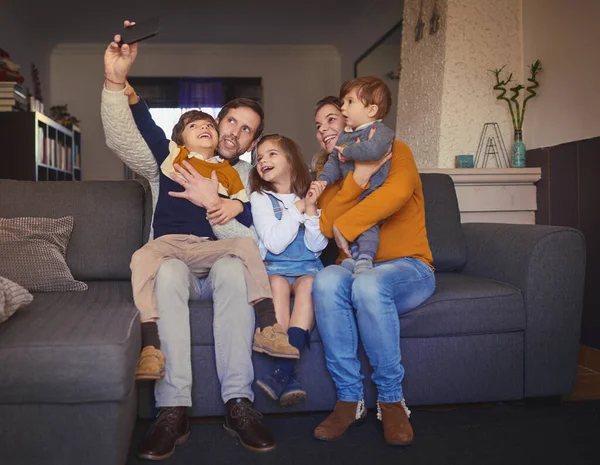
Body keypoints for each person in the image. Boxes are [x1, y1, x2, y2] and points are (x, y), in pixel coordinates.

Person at [102, 24, 276, 458]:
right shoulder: (173, 162)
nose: (237, 131)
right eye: (230, 120)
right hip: (176, 259)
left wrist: (220, 203)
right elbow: (127, 135)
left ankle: (239, 403)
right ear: (214, 125)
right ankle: (172, 408)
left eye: (248, 130)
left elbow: (255, 240)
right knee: (169, 269)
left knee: (236, 267)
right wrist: (115, 82)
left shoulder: (247, 183)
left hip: (220, 264)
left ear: (253, 143)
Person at [131, 108, 299, 382]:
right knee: (140, 257)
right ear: (181, 139)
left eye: (208, 124)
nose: (204, 127)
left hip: (206, 247)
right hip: (168, 245)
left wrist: (232, 204)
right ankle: (150, 345)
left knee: (245, 246)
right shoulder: (173, 156)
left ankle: (269, 326)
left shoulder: (228, 171)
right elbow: (149, 128)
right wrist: (133, 99)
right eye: (194, 125)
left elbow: (246, 210)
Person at [311, 96, 436, 446]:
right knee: (324, 280)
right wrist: (358, 178)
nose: (324, 130)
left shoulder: (396, 150)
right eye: (318, 125)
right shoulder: (330, 174)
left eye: (333, 119)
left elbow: (396, 194)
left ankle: (391, 400)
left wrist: (345, 223)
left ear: (354, 122)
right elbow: (324, 225)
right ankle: (349, 400)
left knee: (368, 285)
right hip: (353, 266)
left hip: (408, 267)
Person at [248, 134, 328, 406]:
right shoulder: (260, 198)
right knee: (278, 286)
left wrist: (312, 208)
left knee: (309, 286)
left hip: (308, 266)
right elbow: (274, 243)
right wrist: (296, 210)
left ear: (291, 160)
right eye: (259, 158)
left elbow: (316, 246)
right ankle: (286, 368)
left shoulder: (312, 195)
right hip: (275, 266)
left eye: (272, 154)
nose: (263, 161)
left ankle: (282, 373)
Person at [317, 77, 395, 275]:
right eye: (318, 126)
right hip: (353, 201)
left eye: (349, 103)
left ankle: (365, 258)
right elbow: (325, 227)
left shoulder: (383, 136)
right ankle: (356, 257)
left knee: (367, 225)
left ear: (371, 111)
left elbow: (374, 151)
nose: (344, 107)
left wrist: (348, 152)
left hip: (372, 195)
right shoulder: (344, 142)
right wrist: (323, 181)